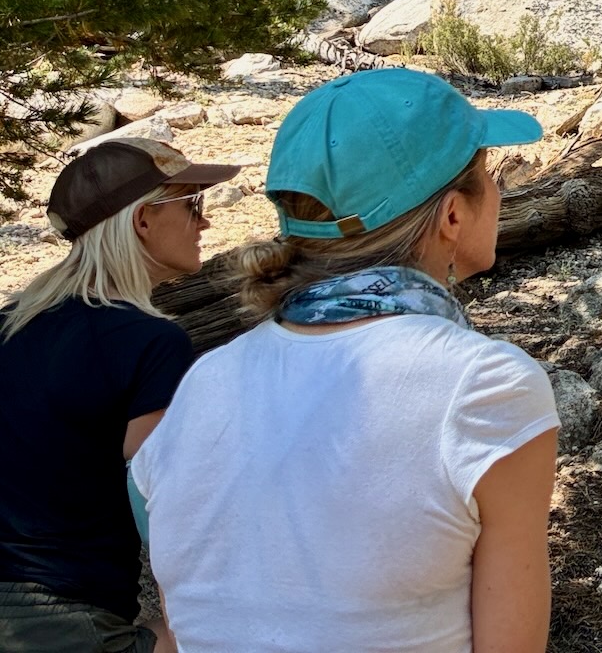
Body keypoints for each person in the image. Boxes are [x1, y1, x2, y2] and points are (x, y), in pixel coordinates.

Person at [129, 69, 559, 653]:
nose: (500, 193)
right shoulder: (486, 385)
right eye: (490, 174)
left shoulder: (207, 380)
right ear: (453, 215)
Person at [0, 137, 242, 653]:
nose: (205, 224)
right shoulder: (150, 342)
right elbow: (164, 506)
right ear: (143, 221)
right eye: (191, 205)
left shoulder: (8, 326)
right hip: (64, 623)